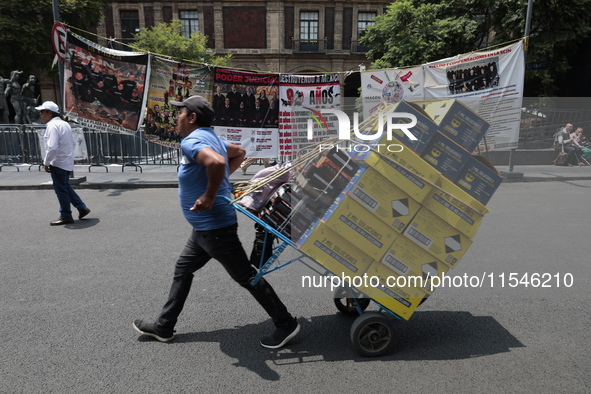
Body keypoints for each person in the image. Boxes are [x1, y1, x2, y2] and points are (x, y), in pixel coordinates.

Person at [133, 95, 299, 348]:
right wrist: (219, 185)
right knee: (183, 269)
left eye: (180, 113)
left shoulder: (193, 141)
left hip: (215, 227)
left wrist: (210, 195)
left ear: (192, 117)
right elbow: (239, 153)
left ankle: (286, 323)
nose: (175, 117)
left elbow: (218, 161)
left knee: (247, 277)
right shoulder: (211, 138)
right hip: (204, 228)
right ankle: (164, 326)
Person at [36, 101, 91, 225]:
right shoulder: (64, 124)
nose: (40, 114)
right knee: (65, 187)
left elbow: (52, 147)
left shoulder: (52, 126)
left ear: (49, 113)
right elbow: (72, 143)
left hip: (58, 162)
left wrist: (46, 162)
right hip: (66, 161)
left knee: (61, 189)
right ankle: (81, 207)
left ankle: (66, 215)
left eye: (42, 112)